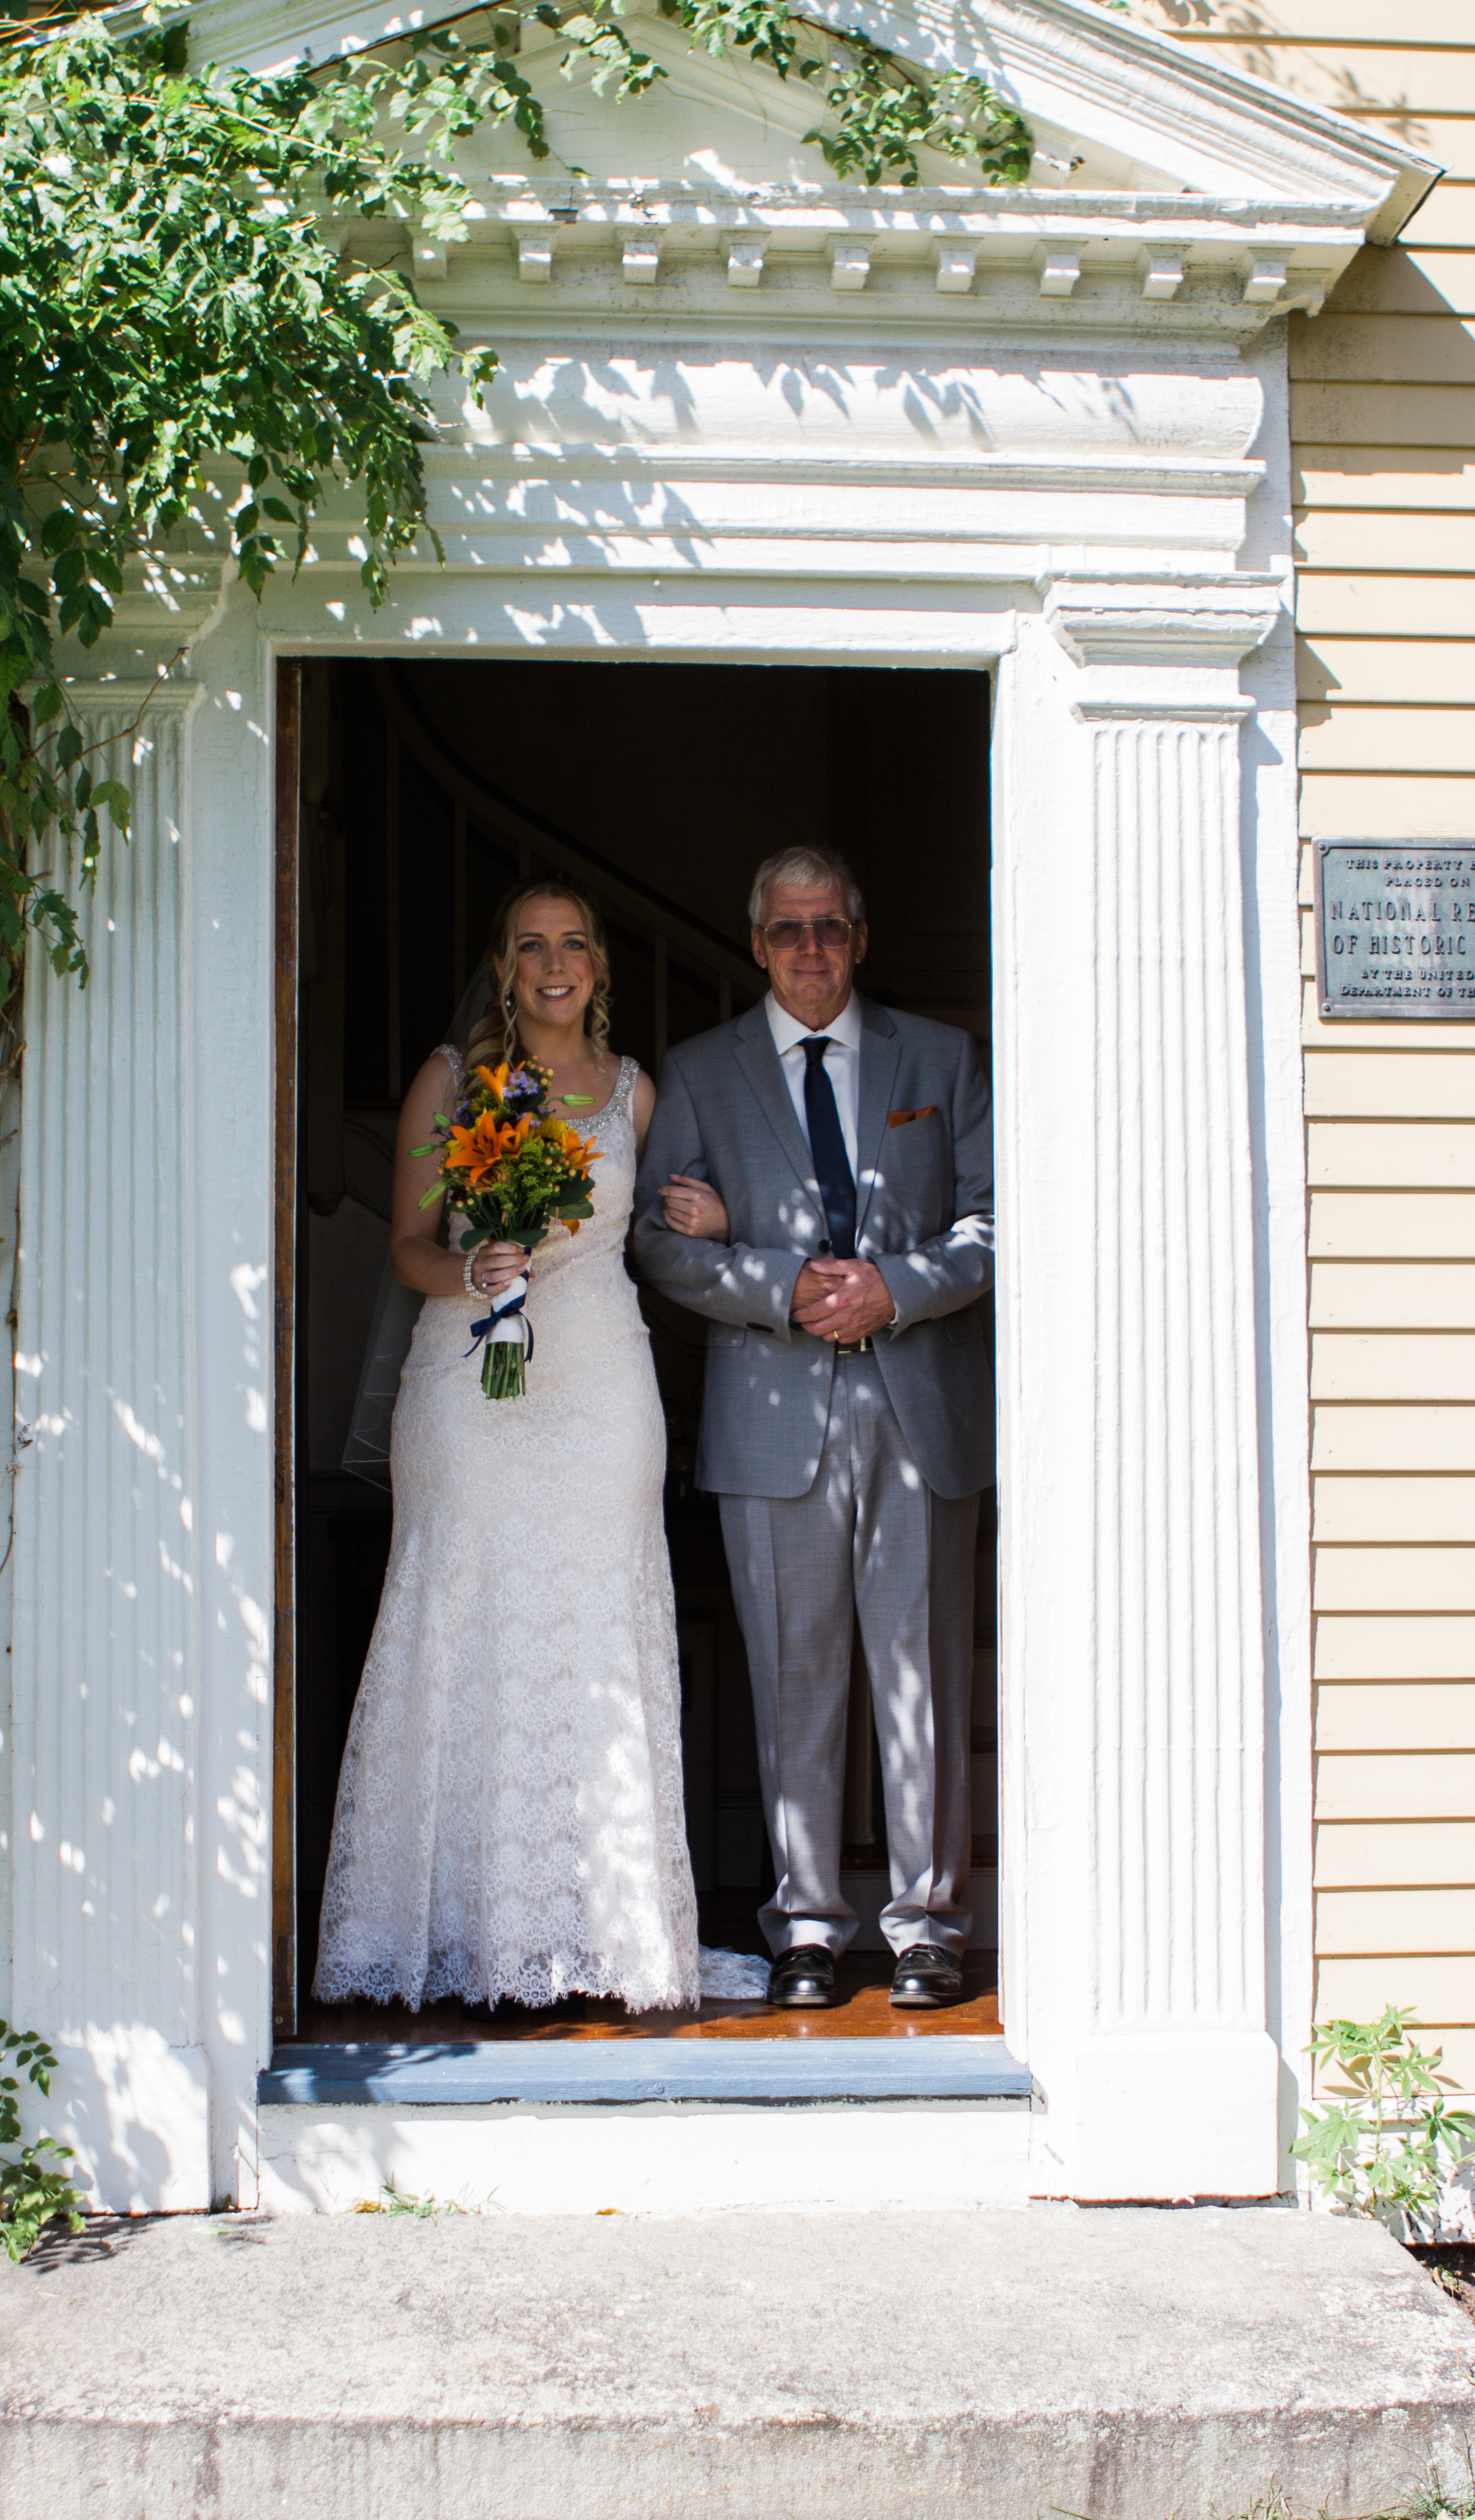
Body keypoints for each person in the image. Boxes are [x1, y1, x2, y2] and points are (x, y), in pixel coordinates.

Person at [313, 881, 728, 2013]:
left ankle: (604, 1935)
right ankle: (466, 1935)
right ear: (505, 962)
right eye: (533, 945)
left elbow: (683, 1213)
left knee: (594, 1631)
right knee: (471, 1617)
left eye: (574, 944)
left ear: (599, 964)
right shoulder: (452, 1082)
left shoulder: (639, 1095)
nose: (555, 963)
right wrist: (472, 1269)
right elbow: (406, 1244)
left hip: (599, 1385)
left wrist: (718, 1220)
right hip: (470, 1383)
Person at [632, 843, 993, 2013]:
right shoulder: (699, 1071)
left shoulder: (938, 1059)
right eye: (788, 928)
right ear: (756, 942)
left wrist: (900, 1284)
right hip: (772, 1412)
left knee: (920, 1669)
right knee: (793, 1674)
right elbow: (656, 1242)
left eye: (830, 925)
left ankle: (928, 1920)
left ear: (861, 935)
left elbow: (995, 1218)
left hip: (914, 1402)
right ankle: (804, 1924)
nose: (810, 947)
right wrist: (784, 1280)